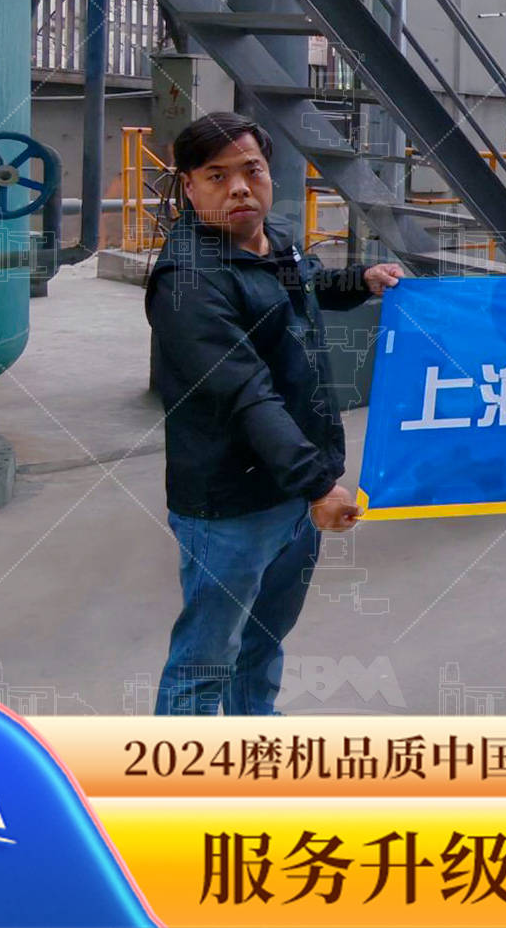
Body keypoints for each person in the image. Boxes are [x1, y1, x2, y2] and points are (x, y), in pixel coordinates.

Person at [147, 111, 404, 716]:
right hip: (232, 503)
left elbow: (304, 287)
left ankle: (254, 731)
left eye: (251, 170)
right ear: (189, 187)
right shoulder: (187, 282)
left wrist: (360, 281)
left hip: (293, 486)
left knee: (264, 638)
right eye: (217, 176)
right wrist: (317, 485)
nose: (239, 188)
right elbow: (246, 394)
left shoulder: (276, 240)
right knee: (206, 659)